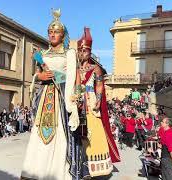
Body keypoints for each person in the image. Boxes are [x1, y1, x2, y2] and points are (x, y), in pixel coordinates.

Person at [21, 9, 81, 179]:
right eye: (50, 32)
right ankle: (38, 169)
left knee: (61, 134)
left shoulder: (69, 53)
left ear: (63, 35)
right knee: (40, 133)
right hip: (45, 95)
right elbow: (37, 73)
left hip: (62, 96)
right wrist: (40, 75)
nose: (52, 35)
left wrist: (75, 98)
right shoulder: (43, 55)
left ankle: (59, 171)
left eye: (56, 32)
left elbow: (76, 78)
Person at [77, 27, 120, 178]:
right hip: (76, 102)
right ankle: (78, 165)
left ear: (90, 52)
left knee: (94, 133)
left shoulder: (96, 69)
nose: (82, 54)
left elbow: (100, 86)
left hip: (90, 102)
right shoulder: (75, 69)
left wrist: (99, 101)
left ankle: (93, 168)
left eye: (85, 51)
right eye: (80, 51)